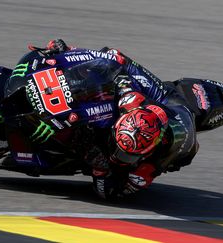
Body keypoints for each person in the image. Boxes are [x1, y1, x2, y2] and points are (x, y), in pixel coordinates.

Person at [44, 39, 199, 199]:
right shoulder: (130, 100)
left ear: (147, 152)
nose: (116, 155)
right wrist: (67, 52)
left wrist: (100, 169)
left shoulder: (146, 169)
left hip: (176, 129)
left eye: (126, 155)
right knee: (112, 56)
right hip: (165, 100)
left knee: (177, 160)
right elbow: (112, 61)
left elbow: (108, 193)